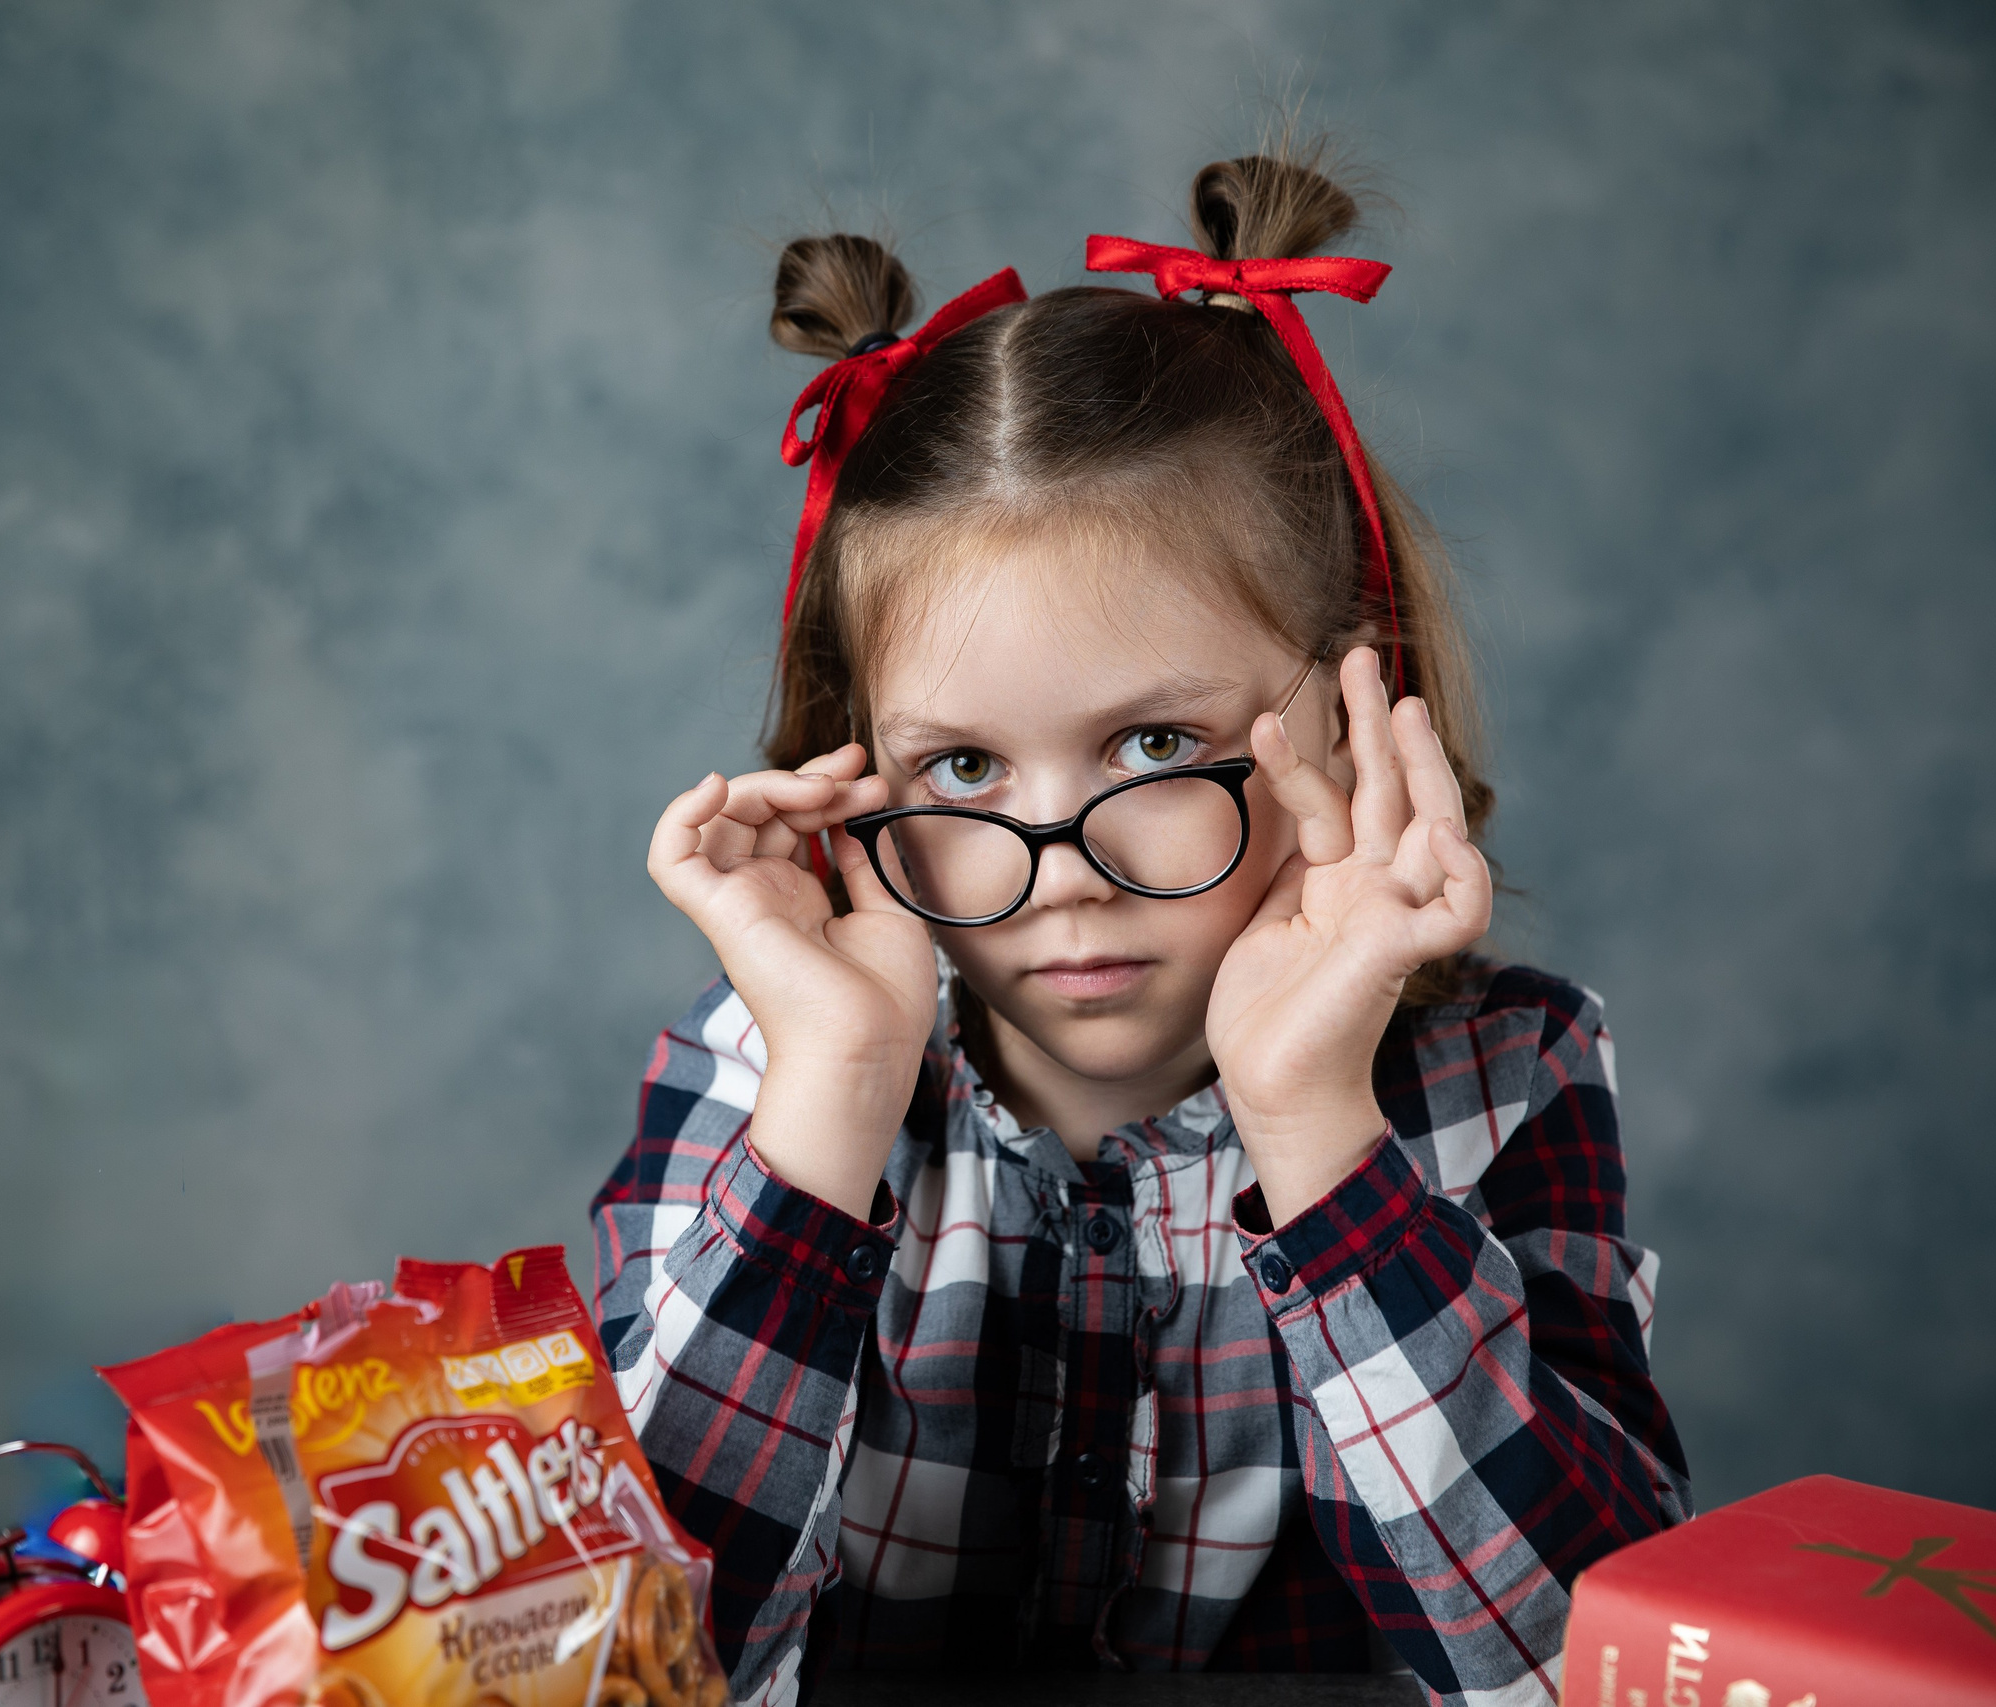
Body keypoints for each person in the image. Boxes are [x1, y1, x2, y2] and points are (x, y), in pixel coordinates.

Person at [590, 149, 1689, 1707]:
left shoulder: (1501, 1073)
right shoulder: (766, 1074)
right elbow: (626, 1667)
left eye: (1157, 750)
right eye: (962, 770)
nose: (1060, 873)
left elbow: (1579, 1662)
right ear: (853, 770)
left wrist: (1315, 1123)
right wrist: (829, 1100)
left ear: (1353, 711)